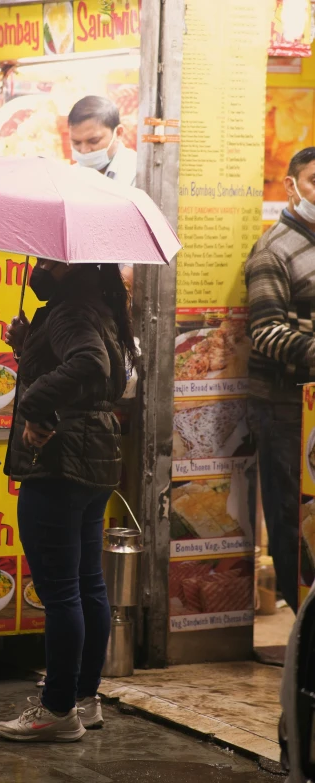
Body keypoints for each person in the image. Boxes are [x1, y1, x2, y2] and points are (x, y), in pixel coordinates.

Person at [0, 259, 134, 742]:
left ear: (68, 263)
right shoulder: (96, 300)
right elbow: (90, 369)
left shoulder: (70, 308)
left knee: (61, 593)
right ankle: (84, 698)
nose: (38, 264)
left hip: (60, 459)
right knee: (85, 582)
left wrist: (35, 403)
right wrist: (26, 344)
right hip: (93, 454)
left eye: (47, 258)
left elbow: (89, 362)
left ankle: (56, 711)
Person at [245, 146, 315, 614]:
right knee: (292, 520)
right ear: (291, 186)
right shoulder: (274, 250)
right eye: (314, 180)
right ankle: (305, 637)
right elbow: (267, 332)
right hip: (285, 408)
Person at [68, 95, 136, 289]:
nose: (85, 150)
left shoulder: (136, 175)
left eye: (93, 141)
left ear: (119, 132)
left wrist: (116, 296)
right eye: (76, 143)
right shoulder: (72, 176)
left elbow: (137, 256)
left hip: (121, 292)